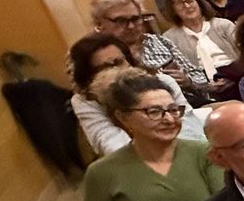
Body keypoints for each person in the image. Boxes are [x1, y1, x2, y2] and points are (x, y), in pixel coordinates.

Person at [82, 69, 223, 201]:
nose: (168, 119)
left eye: (174, 110)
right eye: (154, 112)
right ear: (123, 117)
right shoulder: (101, 173)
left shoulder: (204, 152)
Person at [69, 33, 204, 156]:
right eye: (105, 67)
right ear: (90, 76)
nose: (116, 71)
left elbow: (188, 125)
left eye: (119, 62)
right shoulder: (85, 101)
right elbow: (109, 143)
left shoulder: (162, 81)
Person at [90, 0, 213, 102]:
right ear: (99, 23)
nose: (131, 26)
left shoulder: (158, 41)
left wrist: (188, 81)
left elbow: (199, 77)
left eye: (135, 18)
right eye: (121, 21)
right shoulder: (93, 55)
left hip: (188, 103)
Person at [161, 0, 238, 82]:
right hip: (199, 85)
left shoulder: (224, 25)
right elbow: (175, 72)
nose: (187, 6)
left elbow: (243, 55)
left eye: (190, 1)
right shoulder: (169, 38)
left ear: (199, 3)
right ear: (173, 9)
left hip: (234, 76)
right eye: (179, 3)